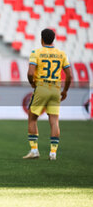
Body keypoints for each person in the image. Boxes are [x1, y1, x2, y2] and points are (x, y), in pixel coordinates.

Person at [23, 28, 72, 161]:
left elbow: (30, 73)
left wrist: (32, 84)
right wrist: (65, 90)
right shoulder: (61, 54)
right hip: (56, 89)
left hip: (42, 87)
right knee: (54, 121)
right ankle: (53, 153)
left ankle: (34, 150)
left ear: (42, 39)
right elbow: (69, 75)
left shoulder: (36, 53)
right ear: (53, 39)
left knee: (32, 118)